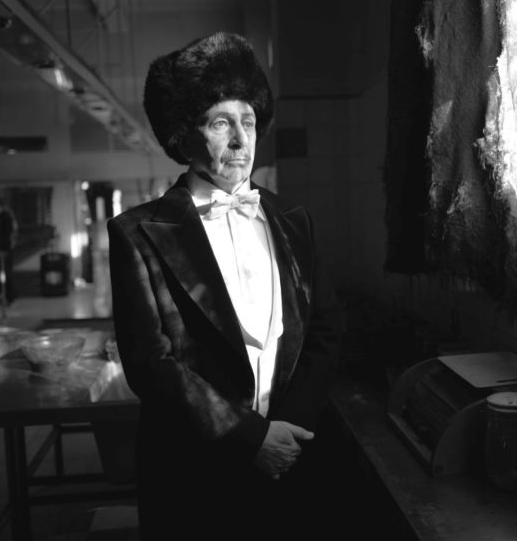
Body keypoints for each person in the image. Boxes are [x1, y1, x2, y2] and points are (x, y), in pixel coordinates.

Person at [107, 32, 344, 538]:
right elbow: (151, 364)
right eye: (220, 123)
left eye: (248, 121)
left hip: (291, 457)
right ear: (183, 135)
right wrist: (250, 438)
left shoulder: (294, 220)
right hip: (193, 473)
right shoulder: (136, 233)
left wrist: (286, 433)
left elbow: (325, 329)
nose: (240, 140)